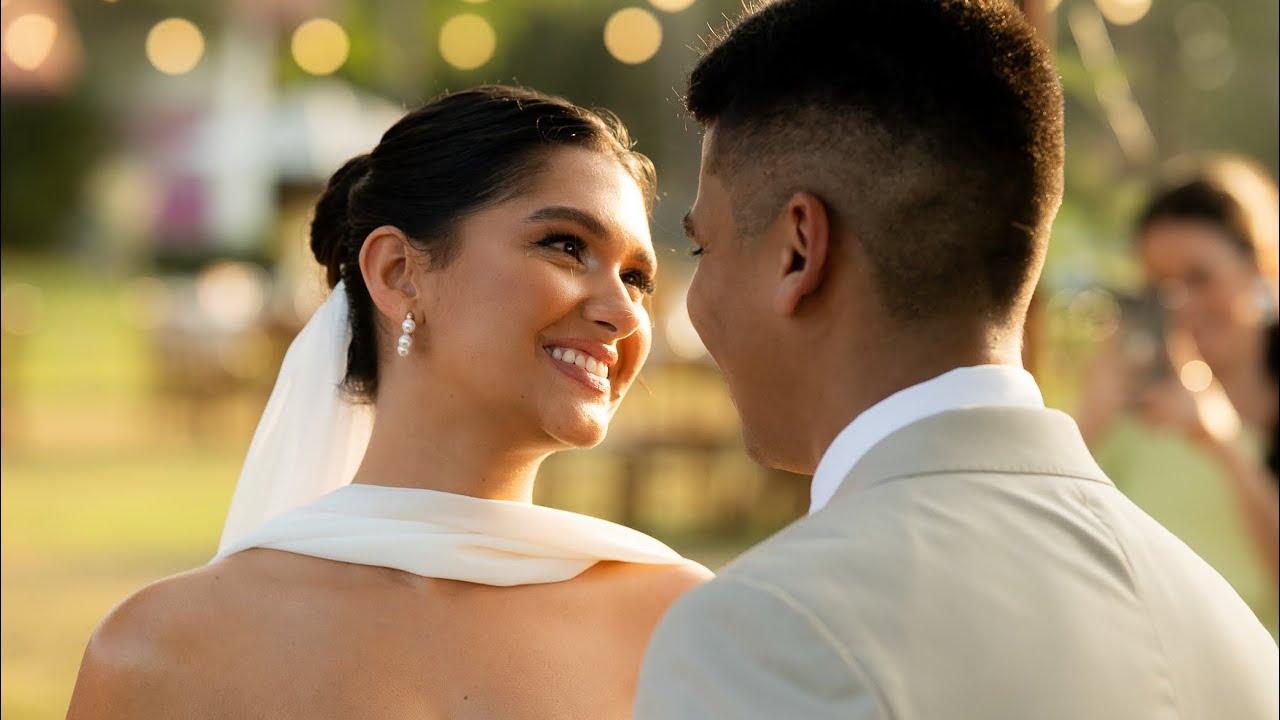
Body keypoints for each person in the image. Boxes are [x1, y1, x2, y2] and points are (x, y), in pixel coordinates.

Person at [634, 1, 1279, 718]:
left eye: (702, 249)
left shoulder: (759, 634)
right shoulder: (1234, 636)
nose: (695, 302)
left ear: (798, 250)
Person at [67, 85, 709, 719]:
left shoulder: (690, 635)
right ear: (400, 271)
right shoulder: (156, 654)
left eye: (637, 279)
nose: (625, 313)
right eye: (567, 246)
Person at [1076, 157, 1280, 595]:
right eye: (1159, 285)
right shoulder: (1127, 407)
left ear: (1259, 267)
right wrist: (1090, 418)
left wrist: (1225, 446)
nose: (1181, 306)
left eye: (1200, 278)